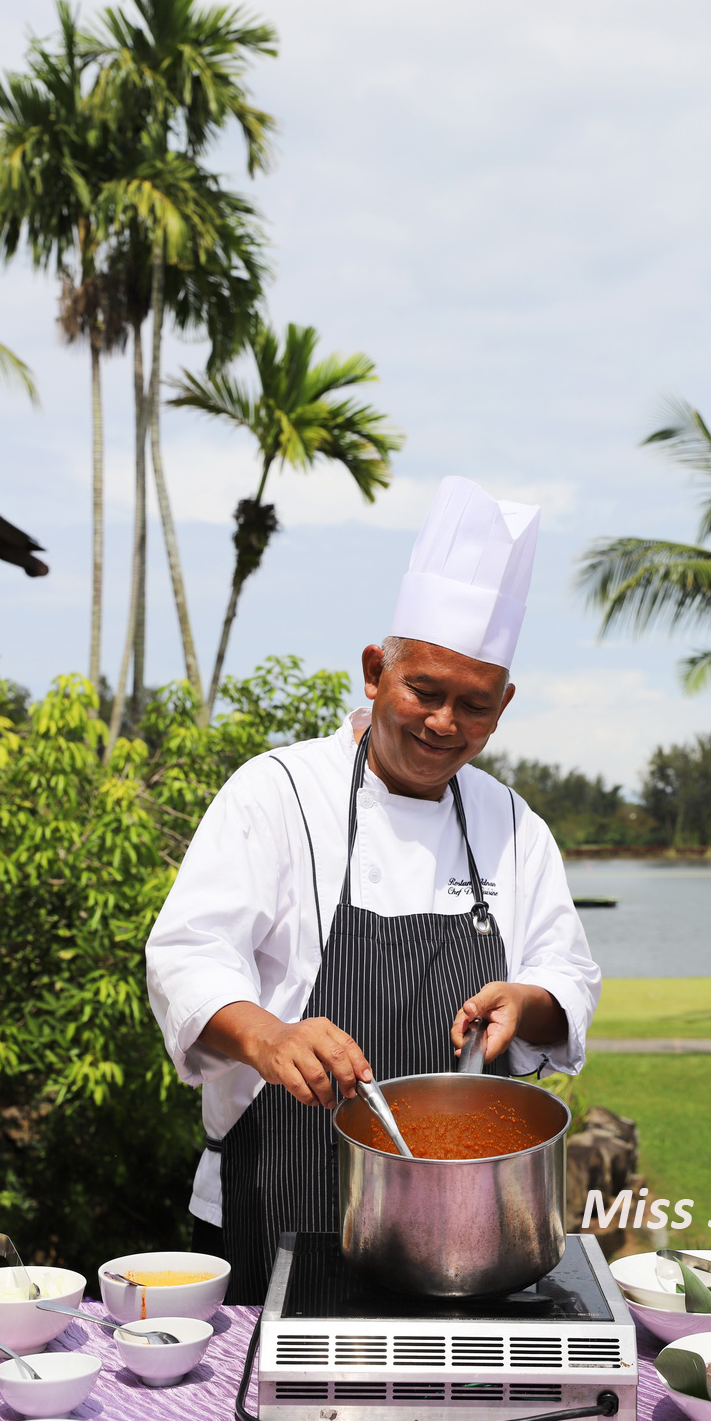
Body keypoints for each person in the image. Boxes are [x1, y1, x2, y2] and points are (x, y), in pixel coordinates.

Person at [146, 476, 601, 1302]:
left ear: (502, 708)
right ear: (373, 671)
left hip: (464, 1229)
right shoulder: (277, 790)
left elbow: (568, 974)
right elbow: (186, 954)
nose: (443, 724)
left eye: (474, 706)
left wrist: (527, 1001)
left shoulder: (512, 823)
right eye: (423, 692)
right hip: (277, 1208)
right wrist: (267, 1036)